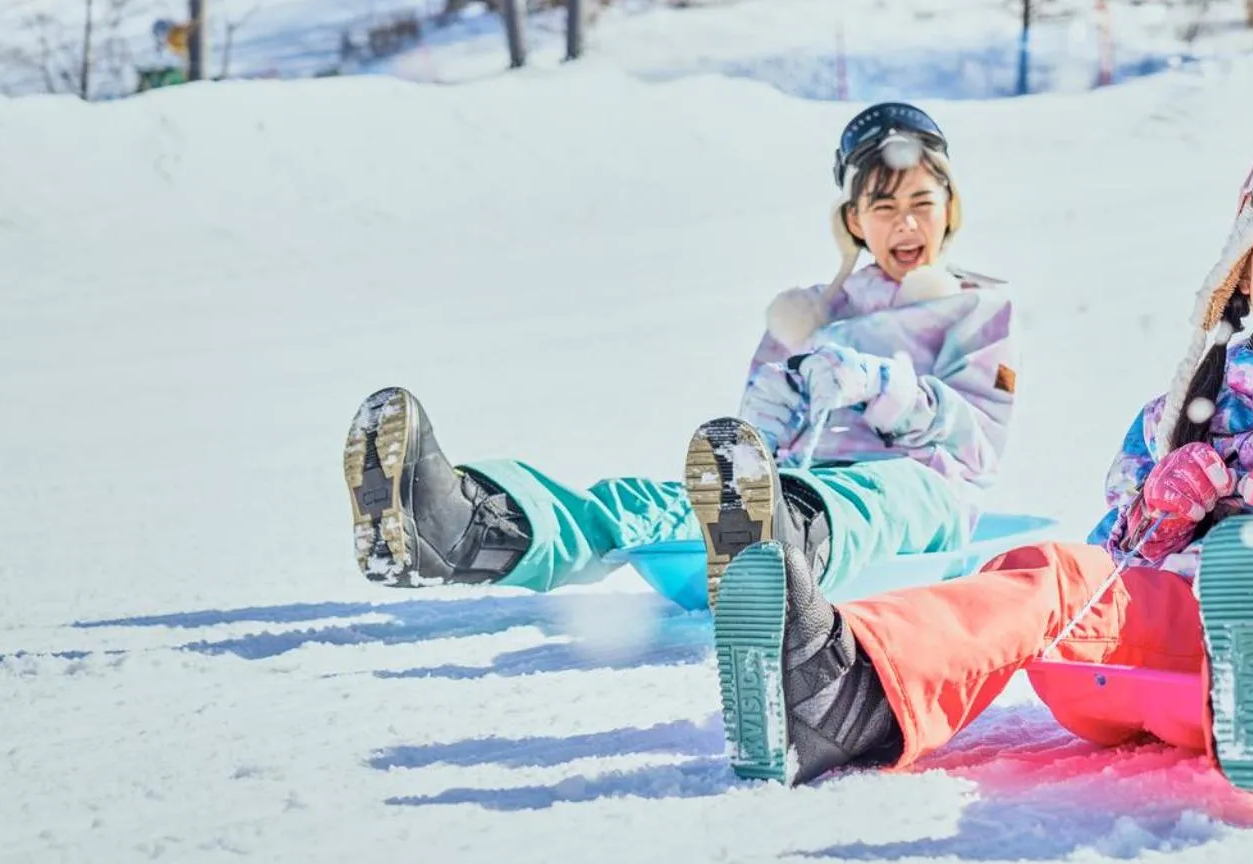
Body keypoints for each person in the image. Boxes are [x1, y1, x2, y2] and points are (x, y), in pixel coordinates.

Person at [708, 102, 1253, 796]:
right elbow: (1114, 560)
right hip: (1186, 629)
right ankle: (845, 692)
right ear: (1245, 273)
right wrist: (1161, 510)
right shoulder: (1180, 415)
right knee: (1052, 575)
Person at [341, 102, 1017, 600]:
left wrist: (881, 386)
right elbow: (751, 446)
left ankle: (780, 547)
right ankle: (463, 527)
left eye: (923, 203)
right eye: (884, 208)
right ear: (854, 222)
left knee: (885, 492)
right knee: (647, 502)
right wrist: (774, 406)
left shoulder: (976, 307)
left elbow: (977, 444)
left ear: (950, 208)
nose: (906, 223)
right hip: (792, 490)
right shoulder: (810, 316)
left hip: (920, 500)